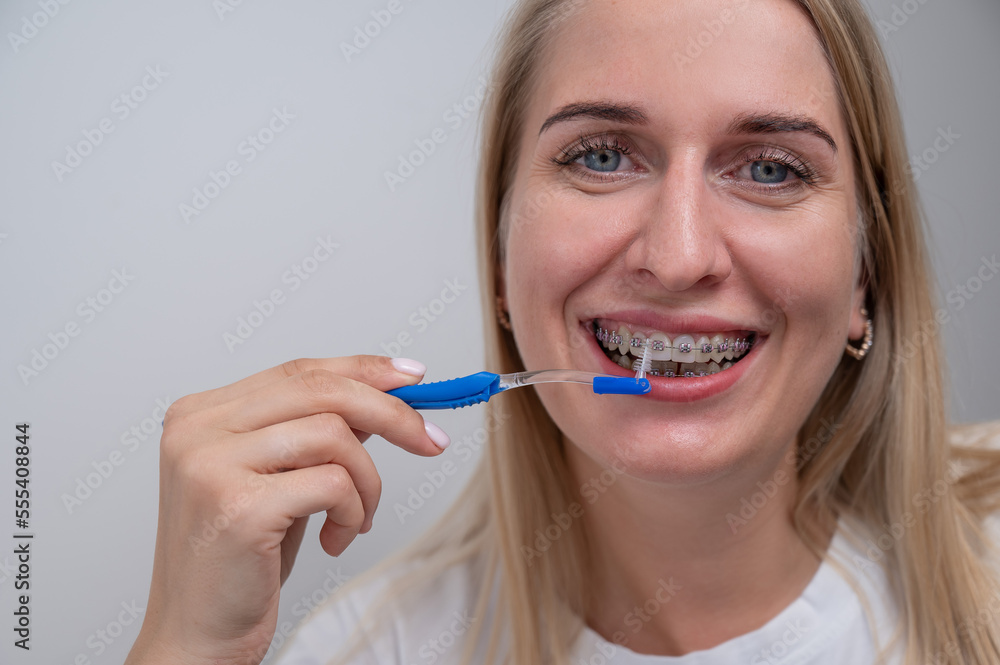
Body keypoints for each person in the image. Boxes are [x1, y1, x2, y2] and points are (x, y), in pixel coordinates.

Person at [124, 0, 1000, 663]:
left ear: (865, 278)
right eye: (601, 155)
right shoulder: (372, 647)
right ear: (503, 260)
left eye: (771, 168)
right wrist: (181, 649)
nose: (679, 254)